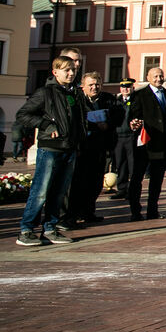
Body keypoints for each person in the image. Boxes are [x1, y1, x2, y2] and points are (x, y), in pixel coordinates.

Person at [15, 56, 83, 245]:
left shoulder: (75, 93)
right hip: (50, 149)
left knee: (59, 192)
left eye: (73, 70)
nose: (71, 73)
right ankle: (26, 229)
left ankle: (50, 228)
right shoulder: (45, 92)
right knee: (41, 190)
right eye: (66, 70)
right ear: (55, 72)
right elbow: (23, 115)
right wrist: (46, 124)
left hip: (69, 149)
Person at [66, 71, 117, 225]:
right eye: (91, 85)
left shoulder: (108, 99)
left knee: (95, 182)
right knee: (79, 182)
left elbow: (118, 116)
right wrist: (94, 124)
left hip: (100, 146)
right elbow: (74, 120)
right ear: (83, 87)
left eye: (97, 84)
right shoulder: (77, 99)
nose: (94, 87)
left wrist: (109, 123)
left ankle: (89, 212)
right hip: (82, 147)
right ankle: (74, 213)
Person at [126, 66, 166, 221]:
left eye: (161, 76)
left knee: (157, 180)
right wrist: (134, 123)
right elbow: (133, 116)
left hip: (162, 145)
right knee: (137, 179)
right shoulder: (140, 95)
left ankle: (152, 210)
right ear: (148, 77)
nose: (159, 79)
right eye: (155, 76)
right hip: (145, 145)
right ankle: (135, 211)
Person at [111, 78, 137, 199]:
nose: (125, 89)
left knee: (132, 164)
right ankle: (122, 189)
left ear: (132, 88)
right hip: (118, 136)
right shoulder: (115, 102)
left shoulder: (136, 100)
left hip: (131, 136)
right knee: (120, 163)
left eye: (128, 87)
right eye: (123, 87)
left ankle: (133, 189)